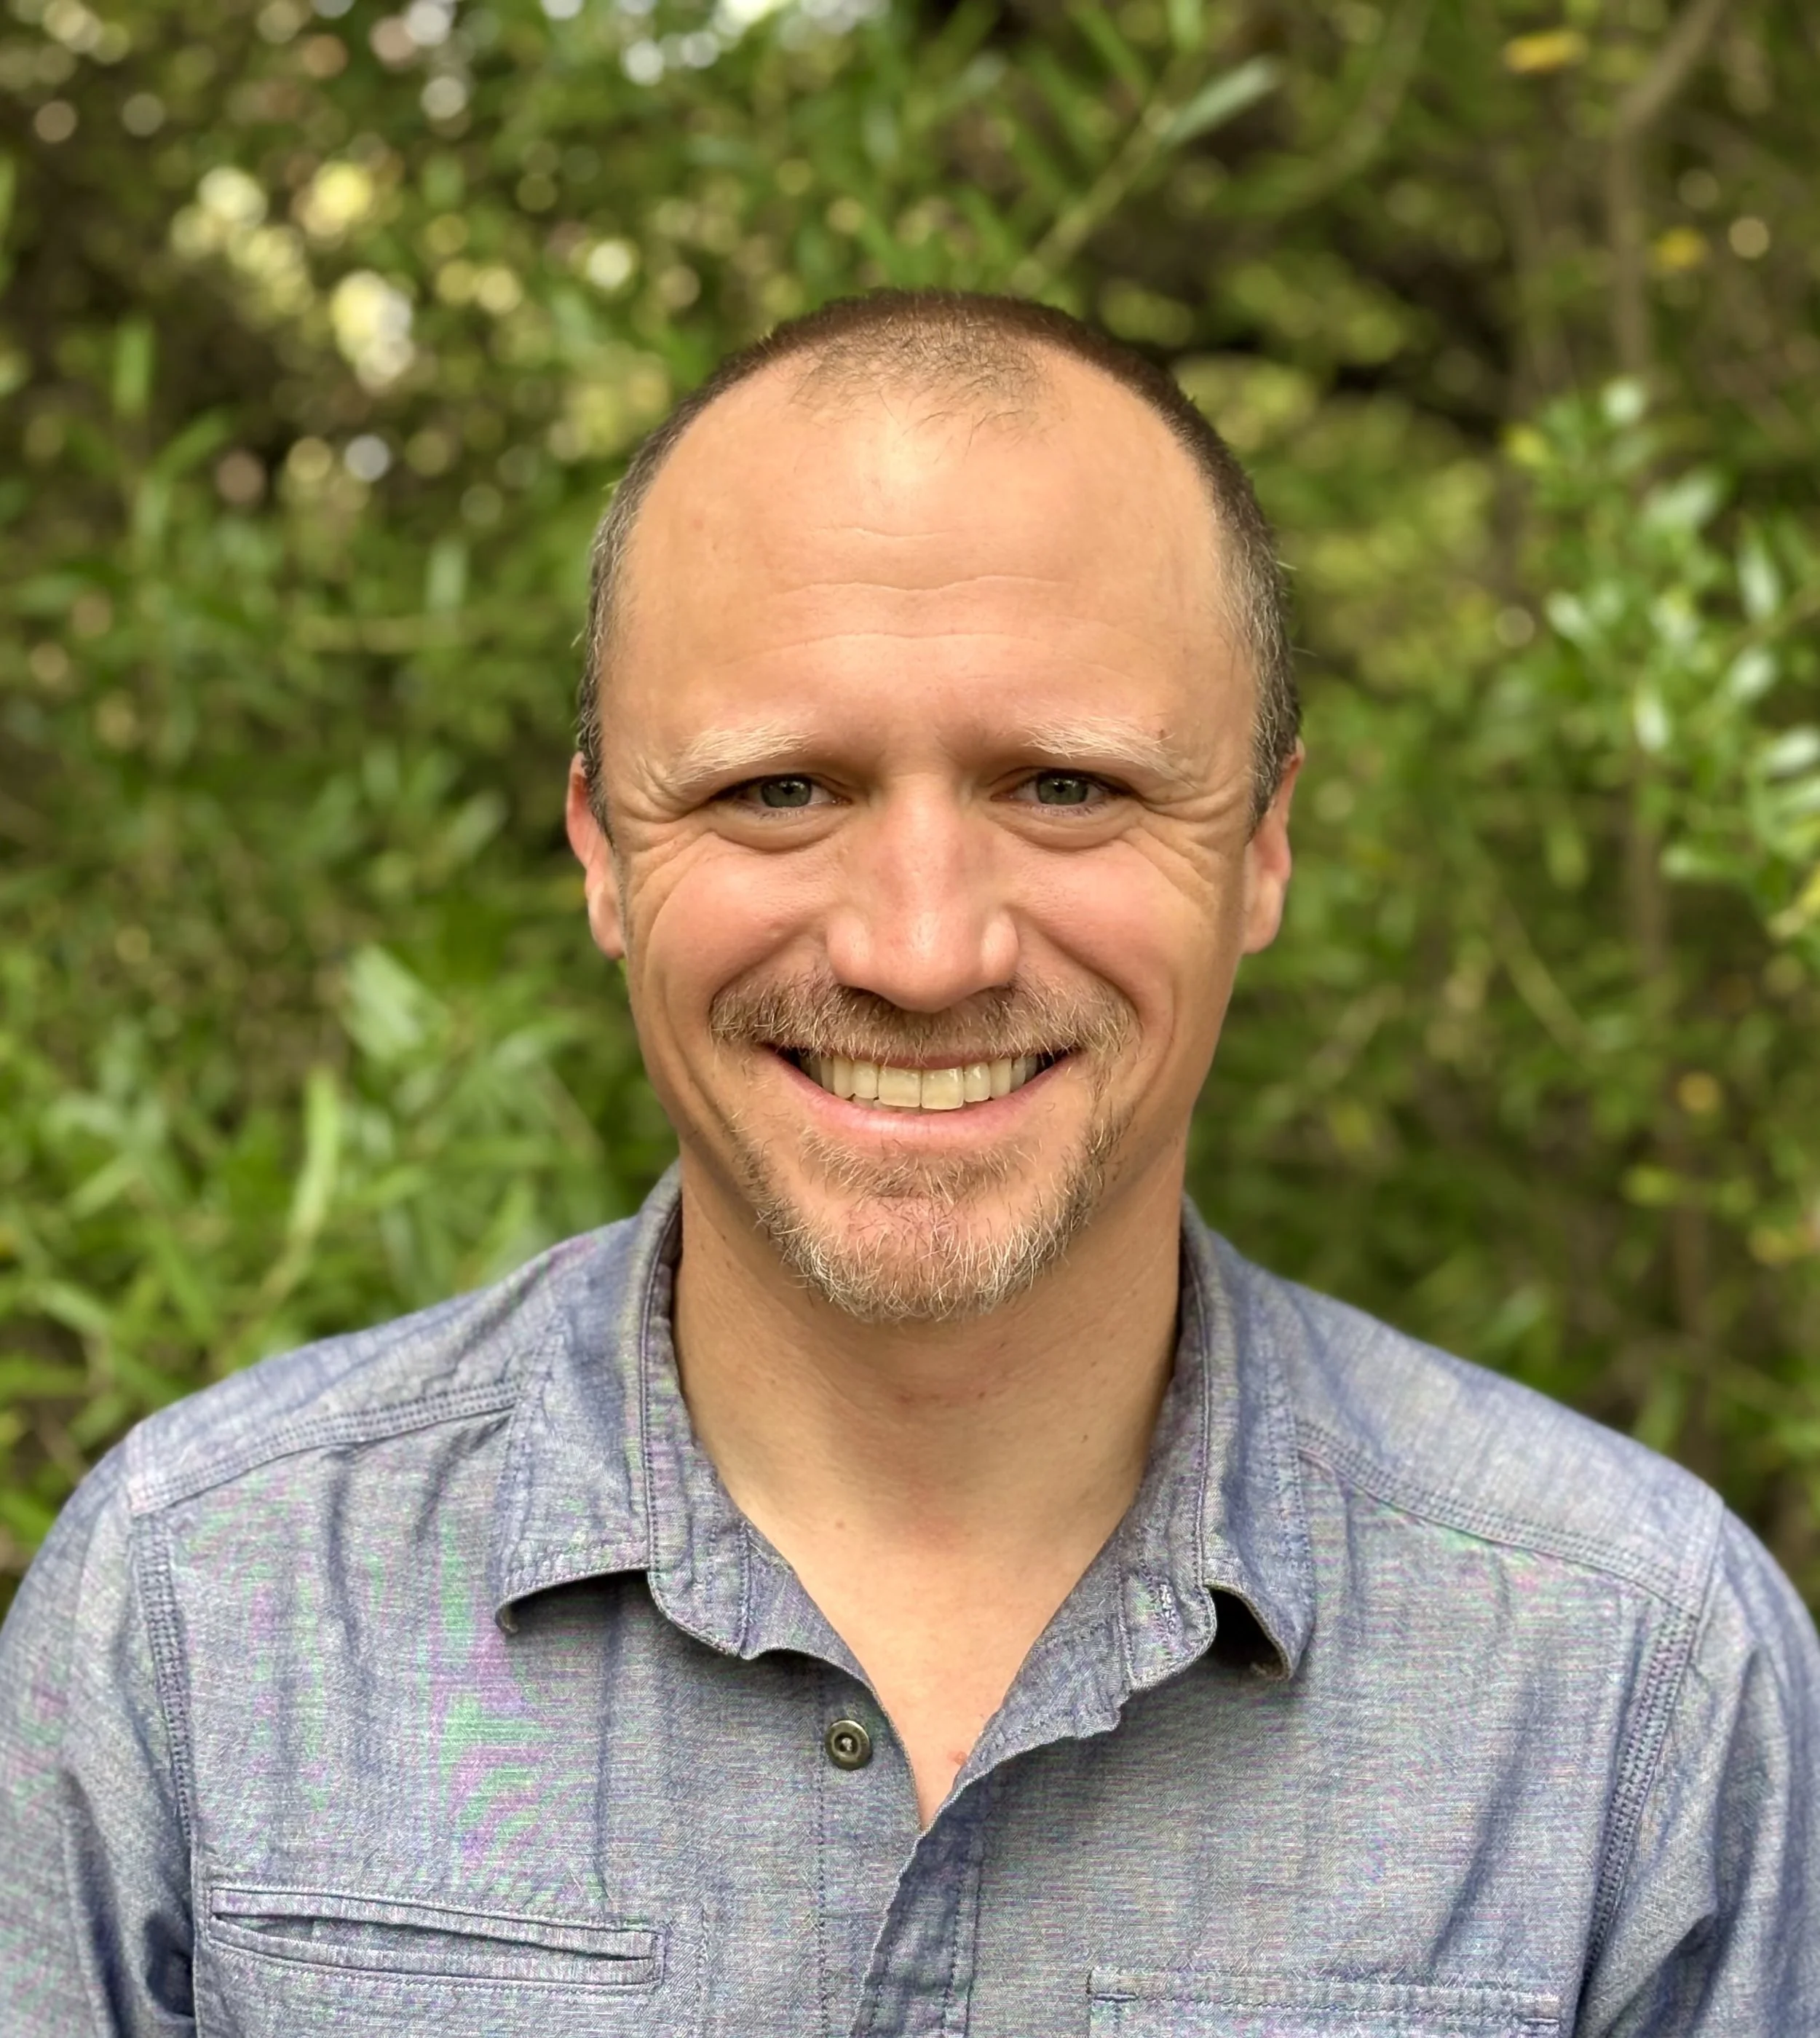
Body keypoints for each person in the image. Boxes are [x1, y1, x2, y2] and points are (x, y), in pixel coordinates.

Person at [2, 290, 1816, 2037]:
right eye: (779, 790)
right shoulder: (197, 1609)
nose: (921, 949)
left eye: (1064, 786)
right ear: (603, 853)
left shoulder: (1633, 1678)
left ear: (1261, 846)